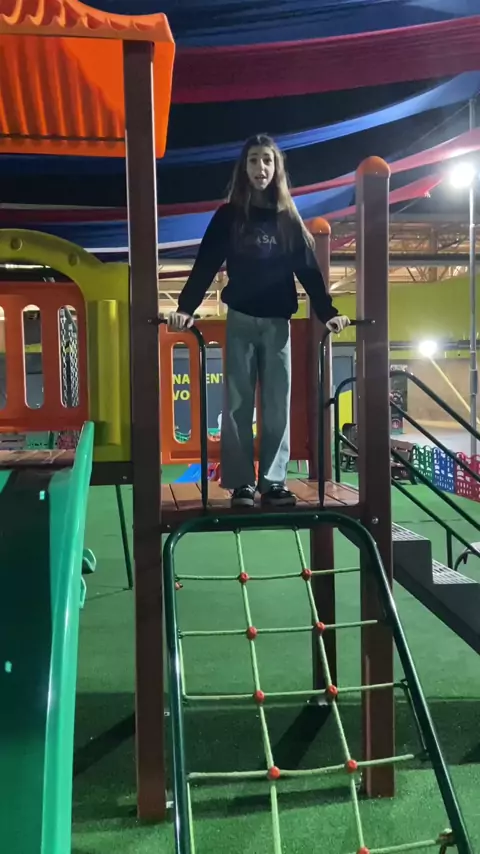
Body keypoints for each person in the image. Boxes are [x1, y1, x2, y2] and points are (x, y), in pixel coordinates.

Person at [167, 134, 349, 508]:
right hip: (241, 319)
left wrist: (327, 313)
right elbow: (206, 264)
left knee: (277, 404)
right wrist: (186, 307)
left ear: (276, 168)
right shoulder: (228, 216)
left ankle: (273, 483)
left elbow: (308, 271)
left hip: (278, 324)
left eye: (267, 160)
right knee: (237, 405)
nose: (260, 167)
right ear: (244, 168)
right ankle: (240, 485)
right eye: (253, 160)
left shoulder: (288, 219)